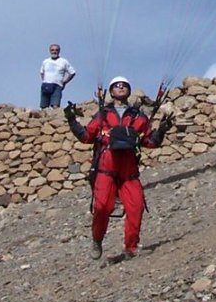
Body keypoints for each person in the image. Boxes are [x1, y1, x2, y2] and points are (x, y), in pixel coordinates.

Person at [64, 77, 173, 260]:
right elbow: (86, 136)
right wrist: (71, 120)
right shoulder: (103, 115)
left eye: (124, 86)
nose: (120, 87)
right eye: (116, 86)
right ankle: (97, 239)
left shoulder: (138, 117)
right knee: (102, 207)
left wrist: (162, 130)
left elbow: (149, 142)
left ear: (129, 91)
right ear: (111, 91)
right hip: (106, 170)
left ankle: (131, 247)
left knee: (136, 207)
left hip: (128, 172)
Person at [39, 43, 76, 109]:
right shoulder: (45, 61)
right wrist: (44, 80)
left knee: (55, 106)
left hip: (57, 85)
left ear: (59, 51)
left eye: (56, 50)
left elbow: (72, 72)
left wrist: (64, 82)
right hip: (46, 85)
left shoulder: (64, 61)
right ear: (50, 51)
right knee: (44, 107)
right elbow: (42, 72)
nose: (54, 51)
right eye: (52, 50)